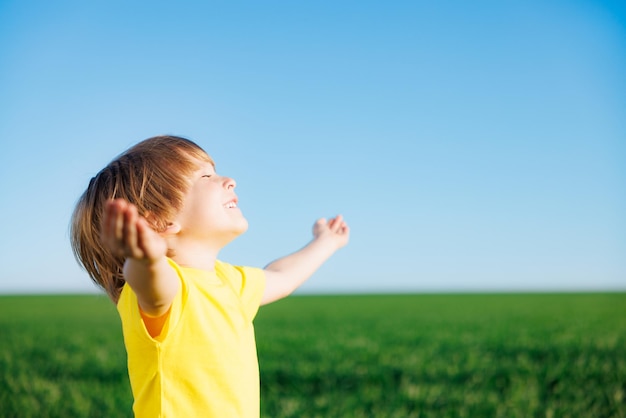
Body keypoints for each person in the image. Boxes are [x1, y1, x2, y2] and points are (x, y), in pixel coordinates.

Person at [70, 135, 349, 417]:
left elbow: (281, 276)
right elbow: (152, 288)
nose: (229, 180)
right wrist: (145, 259)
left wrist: (325, 242)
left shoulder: (228, 282)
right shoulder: (162, 287)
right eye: (205, 176)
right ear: (160, 221)